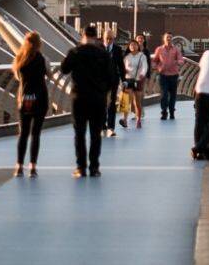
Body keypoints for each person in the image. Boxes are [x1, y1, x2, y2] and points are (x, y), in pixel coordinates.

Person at [60, 25, 113, 177]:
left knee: (79, 133)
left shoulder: (75, 52)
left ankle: (81, 168)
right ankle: (94, 168)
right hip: (98, 98)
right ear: (96, 37)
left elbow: (64, 69)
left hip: (79, 97)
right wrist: (105, 93)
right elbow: (111, 78)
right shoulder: (103, 54)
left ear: (82, 36)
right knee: (96, 134)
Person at [11, 30, 48, 177]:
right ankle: (32, 167)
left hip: (25, 99)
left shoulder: (20, 59)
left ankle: (19, 166)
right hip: (40, 99)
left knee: (23, 133)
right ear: (39, 44)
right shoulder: (43, 59)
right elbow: (49, 74)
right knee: (36, 134)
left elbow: (18, 77)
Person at [152, 33, 185, 120]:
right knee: (164, 94)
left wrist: (178, 62)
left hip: (174, 75)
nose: (169, 38)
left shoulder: (176, 50)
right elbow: (155, 60)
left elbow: (181, 59)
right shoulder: (159, 49)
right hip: (163, 75)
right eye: (167, 37)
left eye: (170, 37)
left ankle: (171, 111)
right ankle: (164, 112)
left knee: (173, 95)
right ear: (164, 39)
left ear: (172, 39)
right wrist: (155, 66)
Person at [103, 29, 126, 137]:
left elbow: (121, 66)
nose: (108, 40)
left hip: (113, 80)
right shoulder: (98, 48)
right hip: (100, 81)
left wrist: (124, 80)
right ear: (103, 38)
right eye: (107, 38)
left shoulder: (117, 49)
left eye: (111, 38)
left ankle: (110, 128)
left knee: (112, 103)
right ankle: (102, 125)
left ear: (114, 39)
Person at [124, 39, 148, 129]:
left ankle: (138, 119)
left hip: (138, 80)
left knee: (137, 102)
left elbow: (145, 66)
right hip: (129, 80)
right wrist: (124, 72)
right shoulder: (127, 57)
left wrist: (142, 73)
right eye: (131, 45)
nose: (133, 46)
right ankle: (125, 120)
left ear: (138, 46)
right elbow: (123, 67)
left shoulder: (142, 56)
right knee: (127, 100)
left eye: (134, 45)